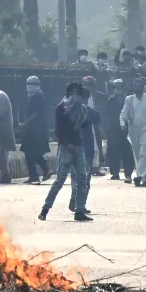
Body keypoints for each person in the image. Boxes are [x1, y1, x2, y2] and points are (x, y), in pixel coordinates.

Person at [38, 82, 92, 222]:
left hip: (78, 147)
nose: (74, 95)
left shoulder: (81, 109)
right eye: (72, 92)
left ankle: (79, 210)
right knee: (60, 180)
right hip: (66, 149)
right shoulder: (61, 108)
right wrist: (67, 144)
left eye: (77, 92)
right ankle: (45, 209)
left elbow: (86, 124)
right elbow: (59, 130)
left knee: (82, 180)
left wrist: (83, 112)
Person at [120, 78, 146, 187]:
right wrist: (123, 124)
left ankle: (139, 176)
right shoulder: (129, 99)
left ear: (143, 87)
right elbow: (123, 114)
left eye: (139, 85)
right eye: (135, 85)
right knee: (138, 155)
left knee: (144, 152)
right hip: (133, 131)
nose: (137, 87)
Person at [70, 88, 102, 214]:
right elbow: (98, 126)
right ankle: (80, 204)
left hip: (72, 147)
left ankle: (75, 197)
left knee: (75, 176)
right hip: (86, 149)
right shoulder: (90, 112)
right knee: (85, 178)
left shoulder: (67, 110)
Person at [20, 76, 52, 185]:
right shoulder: (35, 95)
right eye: (27, 84)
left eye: (31, 84)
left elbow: (36, 112)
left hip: (35, 129)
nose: (28, 87)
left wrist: (26, 124)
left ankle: (36, 175)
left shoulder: (38, 96)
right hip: (34, 129)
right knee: (33, 152)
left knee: (31, 152)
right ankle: (38, 174)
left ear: (36, 86)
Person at [106, 79, 135, 182]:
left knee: (127, 152)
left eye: (120, 87)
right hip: (113, 129)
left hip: (125, 129)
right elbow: (107, 115)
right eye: (116, 87)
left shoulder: (128, 100)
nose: (118, 89)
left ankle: (128, 173)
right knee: (113, 151)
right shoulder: (110, 100)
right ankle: (115, 172)